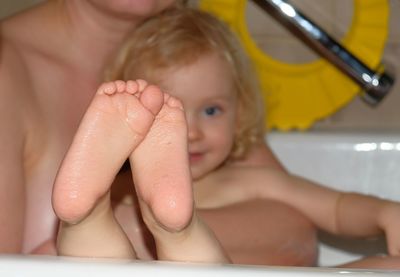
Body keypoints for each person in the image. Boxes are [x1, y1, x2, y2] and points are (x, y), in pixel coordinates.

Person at [53, 7, 400, 269]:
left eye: (211, 111)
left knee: (388, 266)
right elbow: (338, 211)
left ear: (240, 111)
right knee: (111, 259)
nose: (191, 132)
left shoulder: (254, 181)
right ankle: (112, 221)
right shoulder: (127, 195)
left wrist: (385, 213)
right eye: (168, 117)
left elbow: (338, 209)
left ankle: (87, 222)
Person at [0, 0, 301, 261]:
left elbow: (296, 228)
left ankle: (94, 224)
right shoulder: (7, 68)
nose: (196, 129)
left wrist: (134, 226)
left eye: (210, 110)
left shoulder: (192, 57)